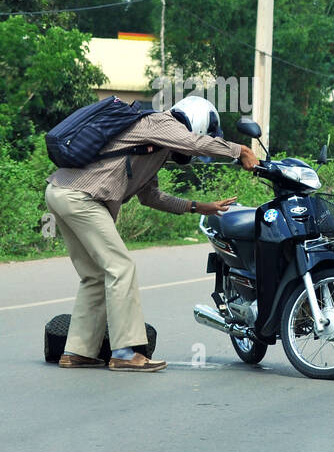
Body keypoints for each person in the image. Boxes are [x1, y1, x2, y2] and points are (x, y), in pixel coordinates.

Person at [45, 96, 258, 372]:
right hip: (80, 196)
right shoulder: (159, 122)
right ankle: (123, 352)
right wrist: (238, 150)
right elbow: (193, 143)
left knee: (95, 275)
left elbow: (150, 196)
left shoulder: (154, 147)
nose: (191, 151)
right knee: (121, 267)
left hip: (62, 192)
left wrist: (198, 207)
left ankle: (77, 351)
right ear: (197, 122)